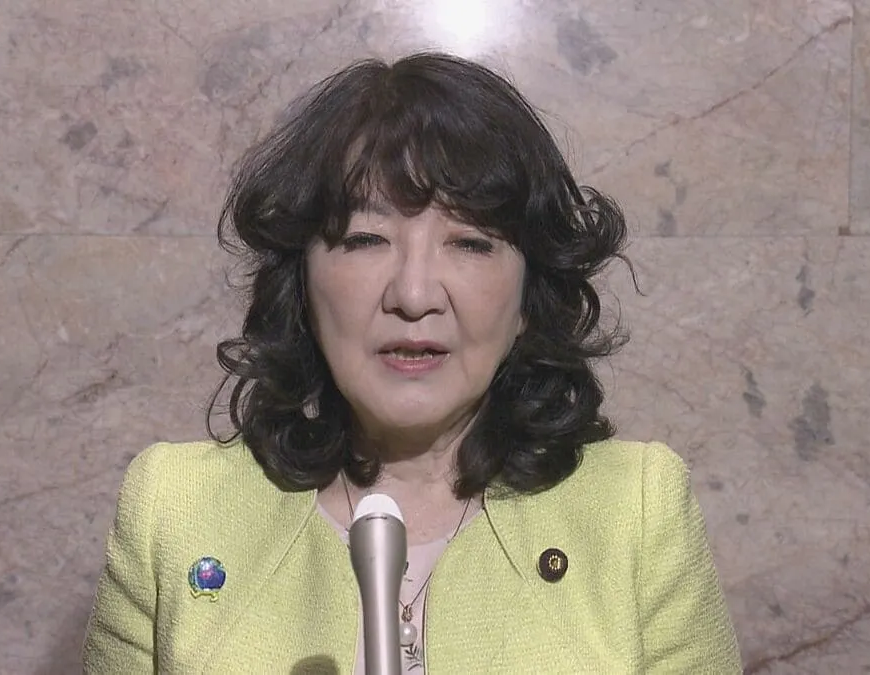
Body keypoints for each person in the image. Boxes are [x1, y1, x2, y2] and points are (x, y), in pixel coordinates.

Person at [83, 52, 741, 673]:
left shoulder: (636, 510)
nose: (415, 294)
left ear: (529, 297)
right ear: (301, 283)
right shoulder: (174, 509)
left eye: (471, 243)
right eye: (366, 239)